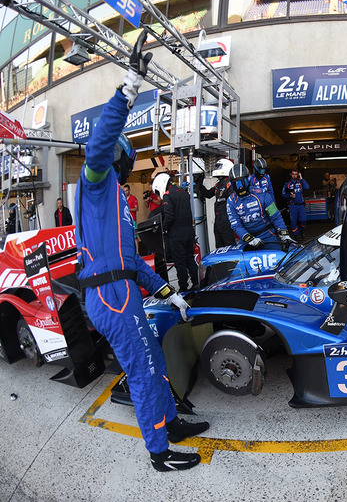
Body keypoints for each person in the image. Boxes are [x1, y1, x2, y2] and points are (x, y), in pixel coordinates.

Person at [73, 31, 207, 472]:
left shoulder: (116, 204)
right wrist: (126, 91)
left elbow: (131, 265)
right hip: (112, 296)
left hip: (120, 289)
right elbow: (97, 145)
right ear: (120, 159)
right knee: (145, 367)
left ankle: (168, 422)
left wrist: (170, 294)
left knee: (152, 353)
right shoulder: (96, 184)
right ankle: (158, 451)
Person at [228, 164, 291, 249]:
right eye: (236, 184)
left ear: (249, 179)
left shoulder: (262, 194)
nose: (240, 188)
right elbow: (236, 225)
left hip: (267, 235)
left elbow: (275, 216)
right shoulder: (231, 201)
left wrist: (284, 234)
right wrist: (249, 239)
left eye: (243, 183)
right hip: (247, 238)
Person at [154, 172, 198, 292]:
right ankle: (196, 283)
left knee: (180, 262)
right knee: (190, 259)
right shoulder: (183, 192)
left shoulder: (168, 195)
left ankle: (183, 287)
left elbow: (169, 216)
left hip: (177, 234)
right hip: (189, 231)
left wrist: (163, 228)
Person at [195, 158, 236, 249]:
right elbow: (208, 194)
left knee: (229, 245)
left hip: (227, 219)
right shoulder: (219, 184)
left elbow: (233, 203)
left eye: (218, 167)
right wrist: (199, 183)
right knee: (219, 245)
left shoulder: (230, 184)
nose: (216, 169)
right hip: (218, 219)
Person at [282, 168, 309, 239]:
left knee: (303, 220)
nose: (294, 176)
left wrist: (301, 178)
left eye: (296, 174)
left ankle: (302, 231)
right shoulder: (287, 184)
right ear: (291, 174)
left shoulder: (300, 182)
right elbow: (283, 194)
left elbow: (307, 187)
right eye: (293, 174)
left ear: (298, 175)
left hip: (301, 205)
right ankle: (296, 235)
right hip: (292, 206)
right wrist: (289, 196)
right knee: (293, 221)